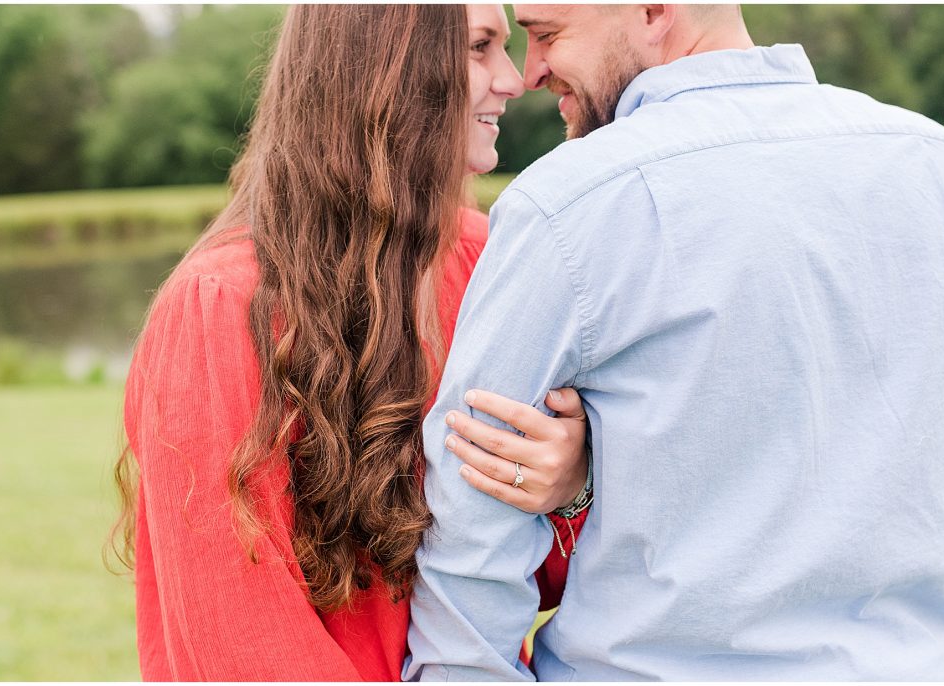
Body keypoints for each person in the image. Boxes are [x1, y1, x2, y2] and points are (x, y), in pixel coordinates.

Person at [406, 4, 944, 681]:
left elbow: (474, 510)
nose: (531, 73)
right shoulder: (942, 169)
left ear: (652, 11)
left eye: (547, 35)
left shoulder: (572, 202)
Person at [112, 5, 591, 681]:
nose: (514, 79)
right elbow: (240, 644)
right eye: (481, 48)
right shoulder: (221, 305)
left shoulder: (487, 258)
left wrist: (568, 483)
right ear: (388, 69)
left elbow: (530, 574)